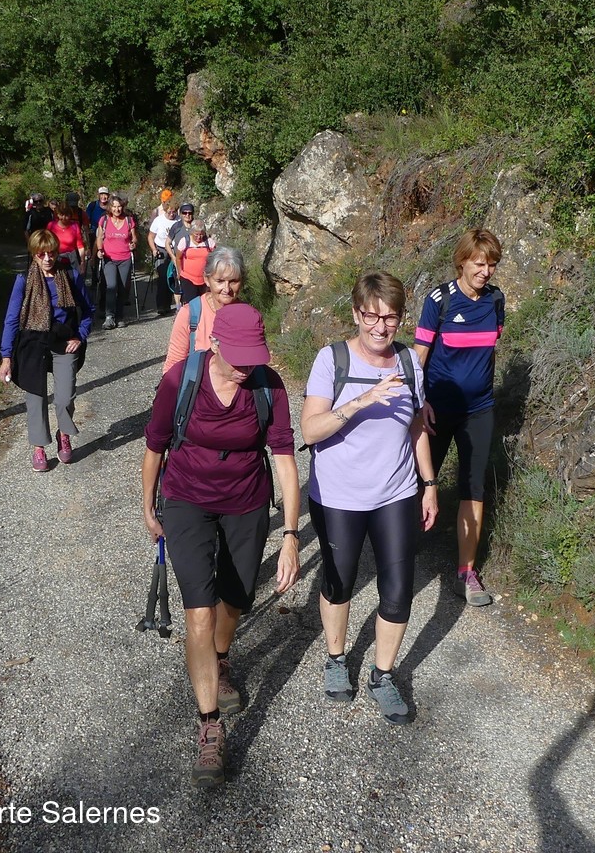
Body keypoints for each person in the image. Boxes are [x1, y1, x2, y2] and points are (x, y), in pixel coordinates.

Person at [141, 303, 301, 785]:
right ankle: (210, 726)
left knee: (236, 598)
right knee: (200, 612)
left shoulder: (268, 386)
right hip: (186, 498)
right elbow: (155, 445)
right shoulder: (181, 380)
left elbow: (285, 461)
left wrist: (291, 535)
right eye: (238, 356)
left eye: (254, 356)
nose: (247, 366)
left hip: (246, 501)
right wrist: (148, 508)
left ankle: (220, 657)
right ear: (214, 344)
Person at [301, 272, 438, 725]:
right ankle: (337, 658)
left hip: (395, 492)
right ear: (356, 314)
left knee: (398, 591)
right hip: (338, 494)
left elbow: (416, 425)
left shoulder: (409, 362)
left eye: (391, 318)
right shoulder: (332, 359)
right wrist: (361, 401)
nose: (381, 327)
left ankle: (383, 675)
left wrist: (429, 483)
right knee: (338, 582)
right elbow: (310, 430)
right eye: (372, 316)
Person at [413, 228, 505, 607]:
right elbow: (418, 358)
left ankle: (466, 573)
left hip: (479, 410)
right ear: (462, 261)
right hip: (436, 407)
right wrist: (419, 402)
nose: (486, 271)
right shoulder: (440, 300)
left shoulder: (496, 300)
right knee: (419, 478)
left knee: (473, 486)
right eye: (479, 263)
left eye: (492, 264)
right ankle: (399, 546)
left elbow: (489, 350)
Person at [0, 229, 94, 472]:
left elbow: (88, 311)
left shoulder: (70, 275)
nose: (47, 258)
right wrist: (6, 357)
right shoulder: (24, 280)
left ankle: (64, 434)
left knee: (64, 397)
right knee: (36, 397)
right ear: (34, 254)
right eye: (41, 254)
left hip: (63, 341)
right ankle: (39, 447)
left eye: (51, 253)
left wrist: (80, 336)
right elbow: (11, 319)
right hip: (32, 341)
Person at [162, 246, 244, 375]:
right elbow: (174, 363)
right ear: (206, 279)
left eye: (233, 281)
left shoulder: (248, 316)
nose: (227, 289)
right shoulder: (189, 314)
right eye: (220, 281)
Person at [96, 194, 137, 330]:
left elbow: (134, 238)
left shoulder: (129, 220)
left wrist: (133, 244)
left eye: (119, 206)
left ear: (122, 207)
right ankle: (109, 316)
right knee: (111, 286)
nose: (117, 209)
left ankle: (119, 317)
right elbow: (100, 237)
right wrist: (99, 250)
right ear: (110, 207)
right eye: (114, 206)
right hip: (109, 259)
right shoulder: (104, 220)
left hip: (125, 258)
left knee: (123, 288)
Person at [147, 189, 179, 317]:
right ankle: (161, 305)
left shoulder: (179, 221)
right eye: (169, 211)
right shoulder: (158, 220)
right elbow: (150, 237)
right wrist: (154, 250)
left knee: (173, 277)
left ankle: (169, 304)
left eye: (174, 212)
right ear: (165, 210)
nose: (171, 214)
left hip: (175, 251)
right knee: (162, 278)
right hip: (161, 250)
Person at [176, 220, 215, 305]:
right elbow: (178, 258)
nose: (199, 237)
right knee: (192, 304)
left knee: (206, 303)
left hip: (205, 279)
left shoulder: (209, 242)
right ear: (192, 232)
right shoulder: (185, 241)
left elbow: (215, 258)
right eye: (196, 234)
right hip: (188, 278)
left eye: (201, 234)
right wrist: (180, 272)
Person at [48, 199, 87, 275]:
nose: (64, 217)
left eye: (67, 215)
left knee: (74, 279)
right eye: (61, 215)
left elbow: (80, 245)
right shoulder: (51, 225)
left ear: (70, 215)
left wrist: (82, 262)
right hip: (56, 259)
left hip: (72, 260)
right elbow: (46, 243)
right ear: (57, 214)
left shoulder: (75, 226)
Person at [85, 186, 110, 290]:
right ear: (98, 195)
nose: (103, 197)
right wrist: (88, 230)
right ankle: (94, 279)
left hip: (107, 233)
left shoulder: (111, 206)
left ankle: (106, 279)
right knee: (94, 256)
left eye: (105, 194)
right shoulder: (93, 205)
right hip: (94, 232)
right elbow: (86, 219)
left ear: (108, 196)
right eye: (101, 194)